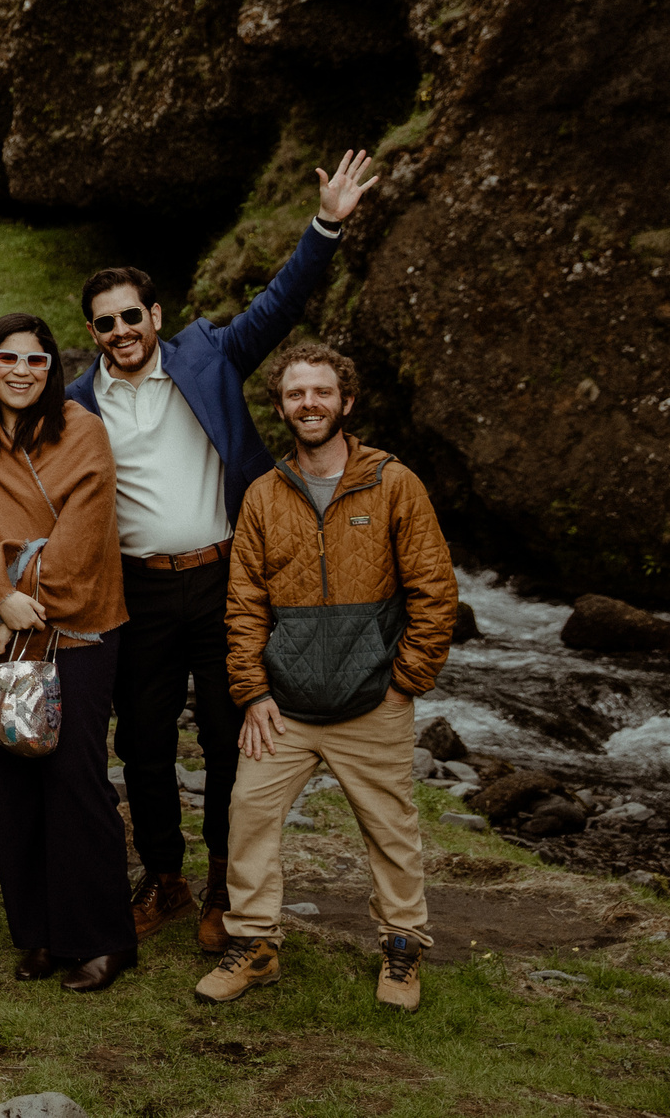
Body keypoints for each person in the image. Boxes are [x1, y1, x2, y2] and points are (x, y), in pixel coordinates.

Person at [70, 150, 378, 950]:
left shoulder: (210, 354)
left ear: (155, 314)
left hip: (223, 582)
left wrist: (327, 224)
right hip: (133, 592)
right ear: (93, 332)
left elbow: (279, 303)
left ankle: (221, 883)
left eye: (131, 315)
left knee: (228, 733)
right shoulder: (78, 401)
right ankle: (163, 877)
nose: (120, 331)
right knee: (140, 740)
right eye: (104, 322)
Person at [196, 343, 457, 1013]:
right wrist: (252, 691)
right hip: (284, 706)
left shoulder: (393, 482)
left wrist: (407, 678)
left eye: (320, 391)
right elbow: (245, 603)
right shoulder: (263, 494)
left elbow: (434, 588)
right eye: (295, 393)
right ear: (281, 405)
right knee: (248, 813)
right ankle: (254, 943)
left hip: (373, 698)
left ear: (346, 400)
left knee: (391, 826)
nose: (308, 403)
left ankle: (402, 948)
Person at [0, 314, 133, 990]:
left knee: (75, 780)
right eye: (7, 357)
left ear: (52, 369)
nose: (21, 370)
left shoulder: (83, 432)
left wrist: (16, 589)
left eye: (36, 360)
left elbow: (82, 539)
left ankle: (101, 937)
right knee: (15, 782)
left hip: (76, 631)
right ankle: (41, 933)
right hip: (2, 638)